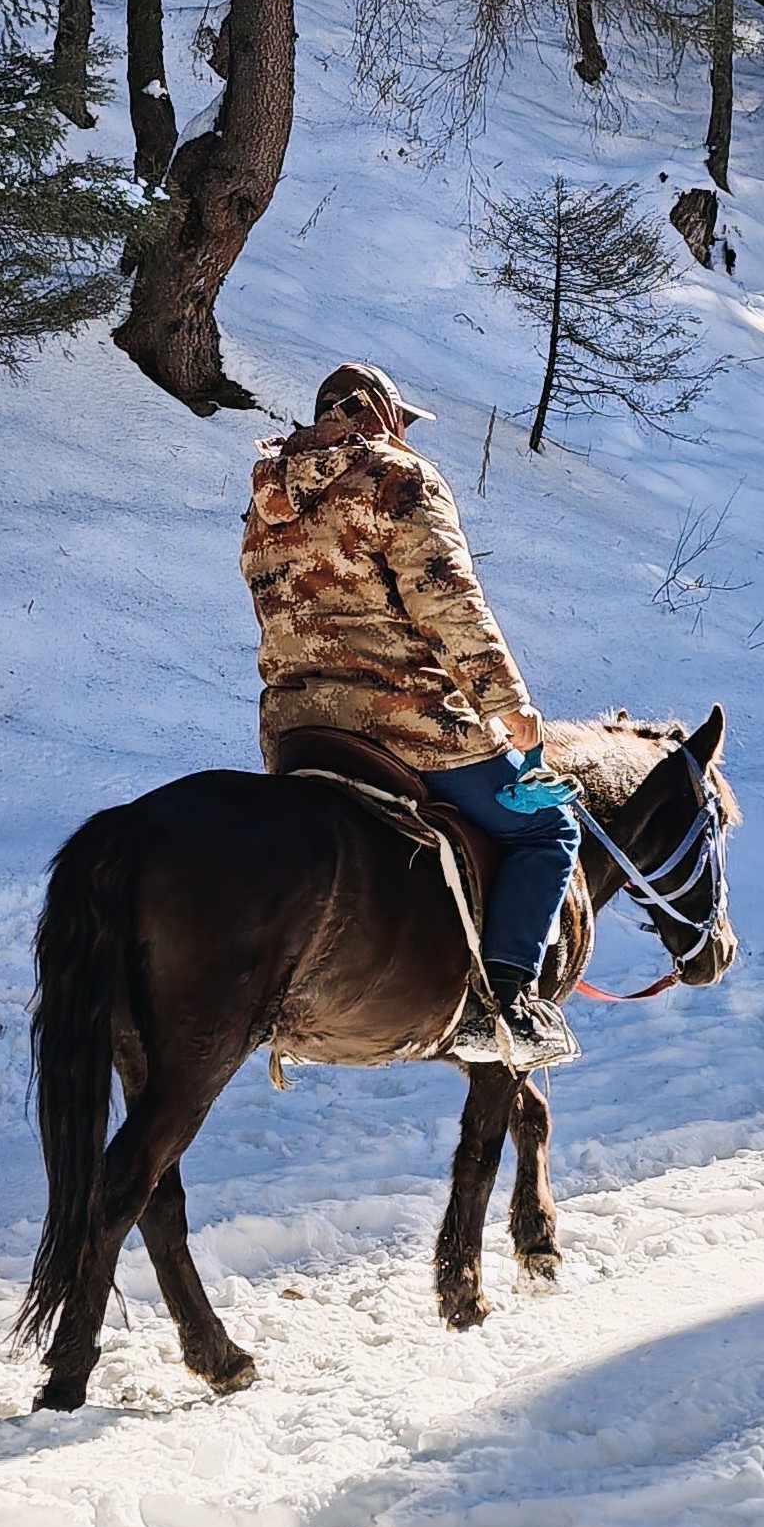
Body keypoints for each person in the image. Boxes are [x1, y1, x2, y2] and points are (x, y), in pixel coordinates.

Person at [241, 361, 580, 1065]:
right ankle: (504, 1006)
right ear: (375, 413)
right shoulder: (399, 478)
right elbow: (449, 605)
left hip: (300, 730)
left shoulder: (267, 500)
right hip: (403, 723)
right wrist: (507, 705)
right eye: (399, 420)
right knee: (548, 828)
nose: (404, 433)